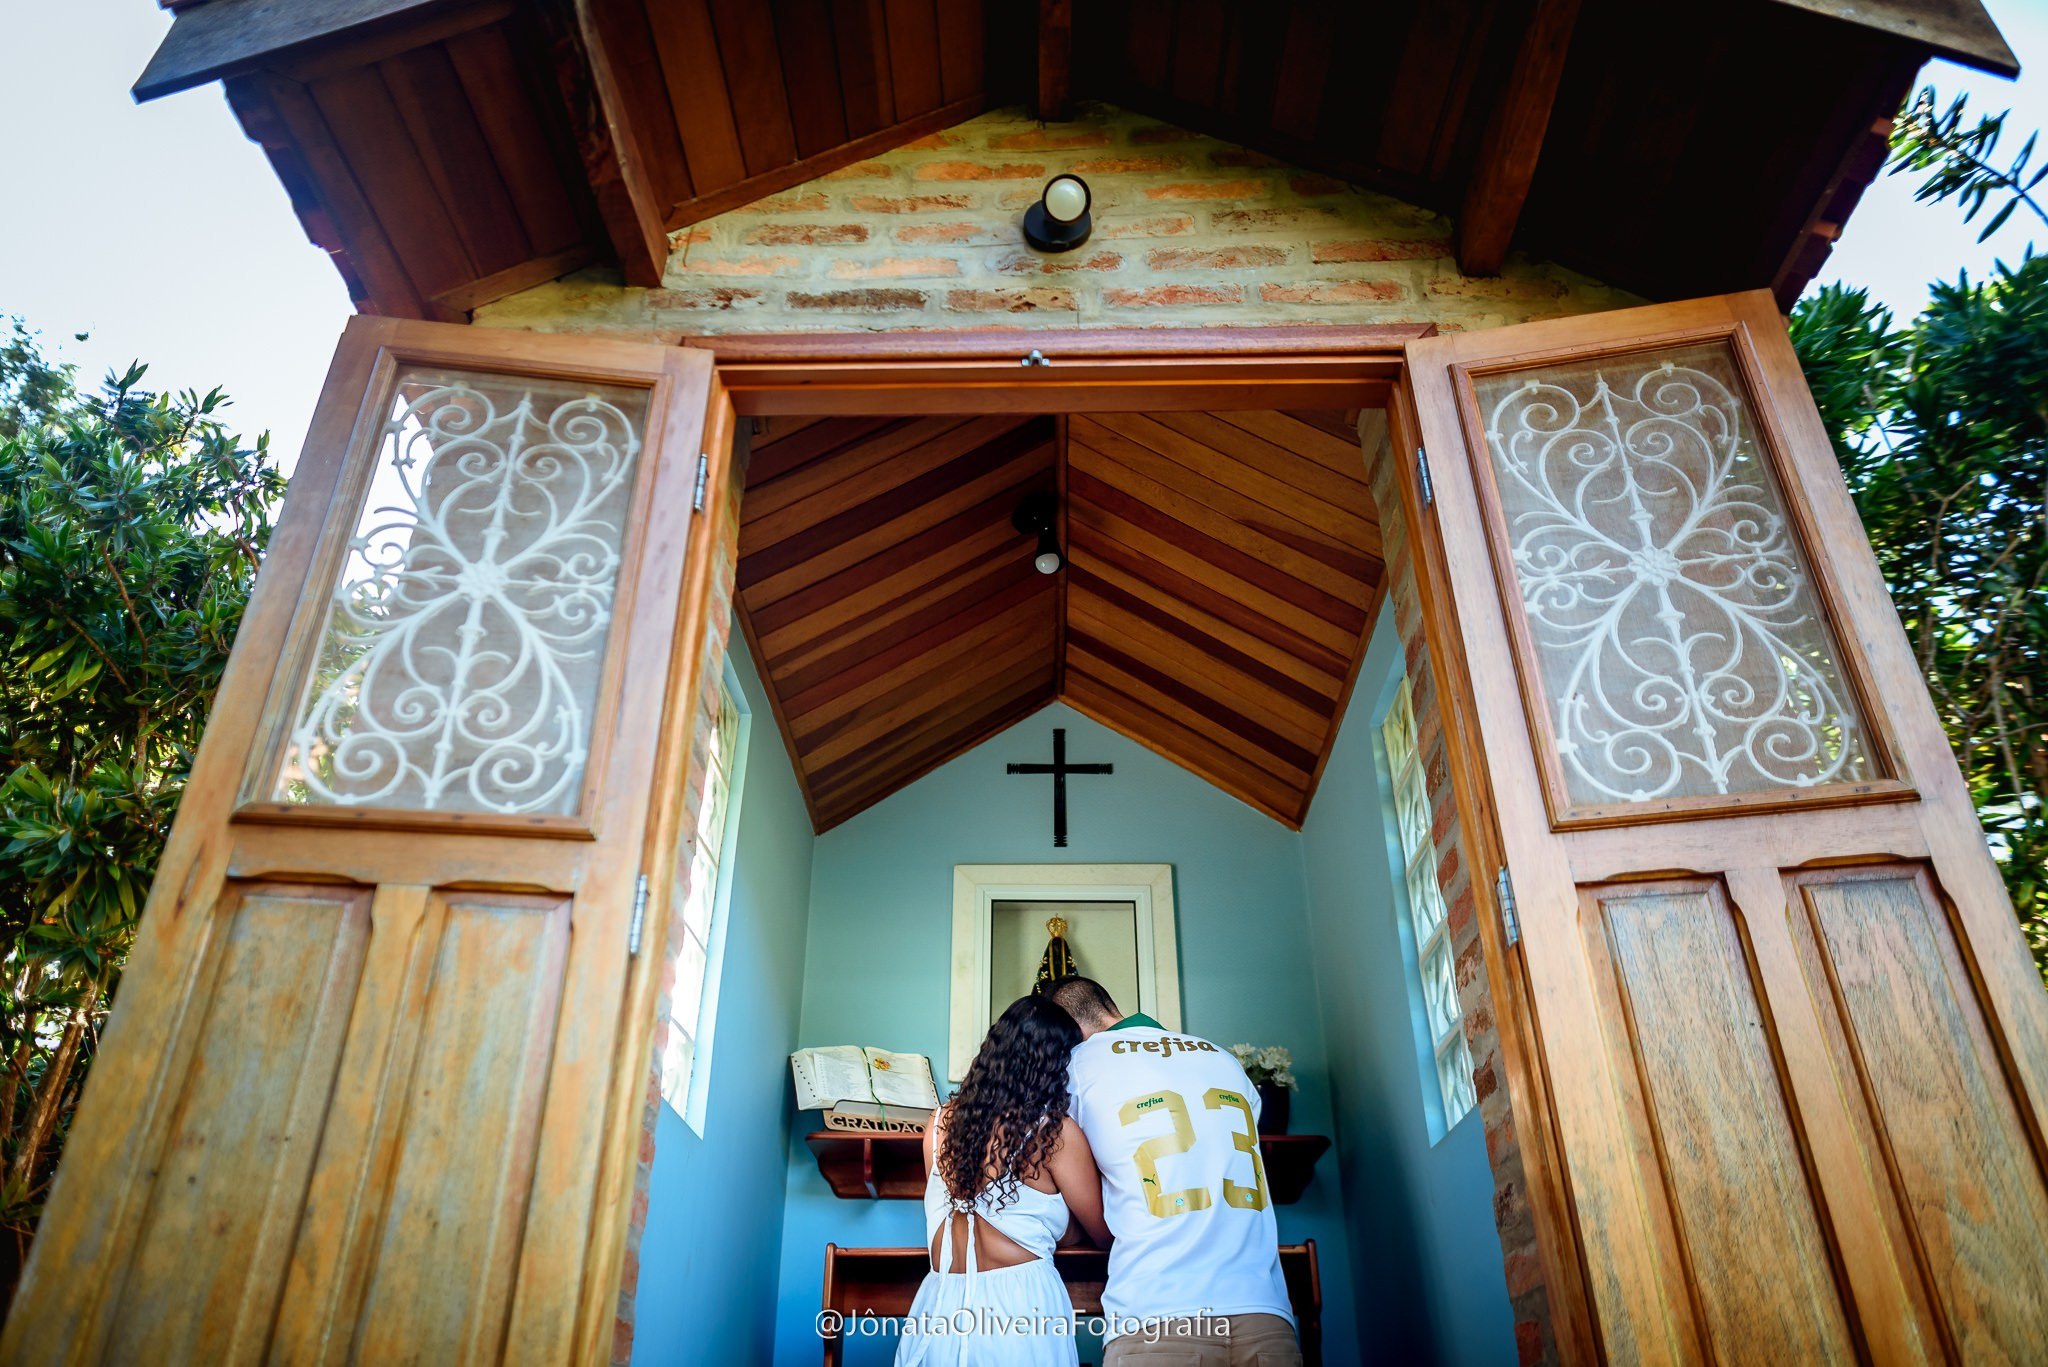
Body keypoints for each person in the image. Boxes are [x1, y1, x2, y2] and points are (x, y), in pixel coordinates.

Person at [1043, 977, 1300, 1367]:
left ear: (1065, 1027)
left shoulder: (1076, 1067)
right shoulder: (1222, 1057)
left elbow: (1064, 1155)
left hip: (1157, 1315)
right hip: (1263, 1311)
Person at [896, 994, 1112, 1366]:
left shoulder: (940, 1123)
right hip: (1021, 1307)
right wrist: (1063, 1227)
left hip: (939, 1303)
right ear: (1057, 1062)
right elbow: (1104, 1235)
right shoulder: (1055, 1135)